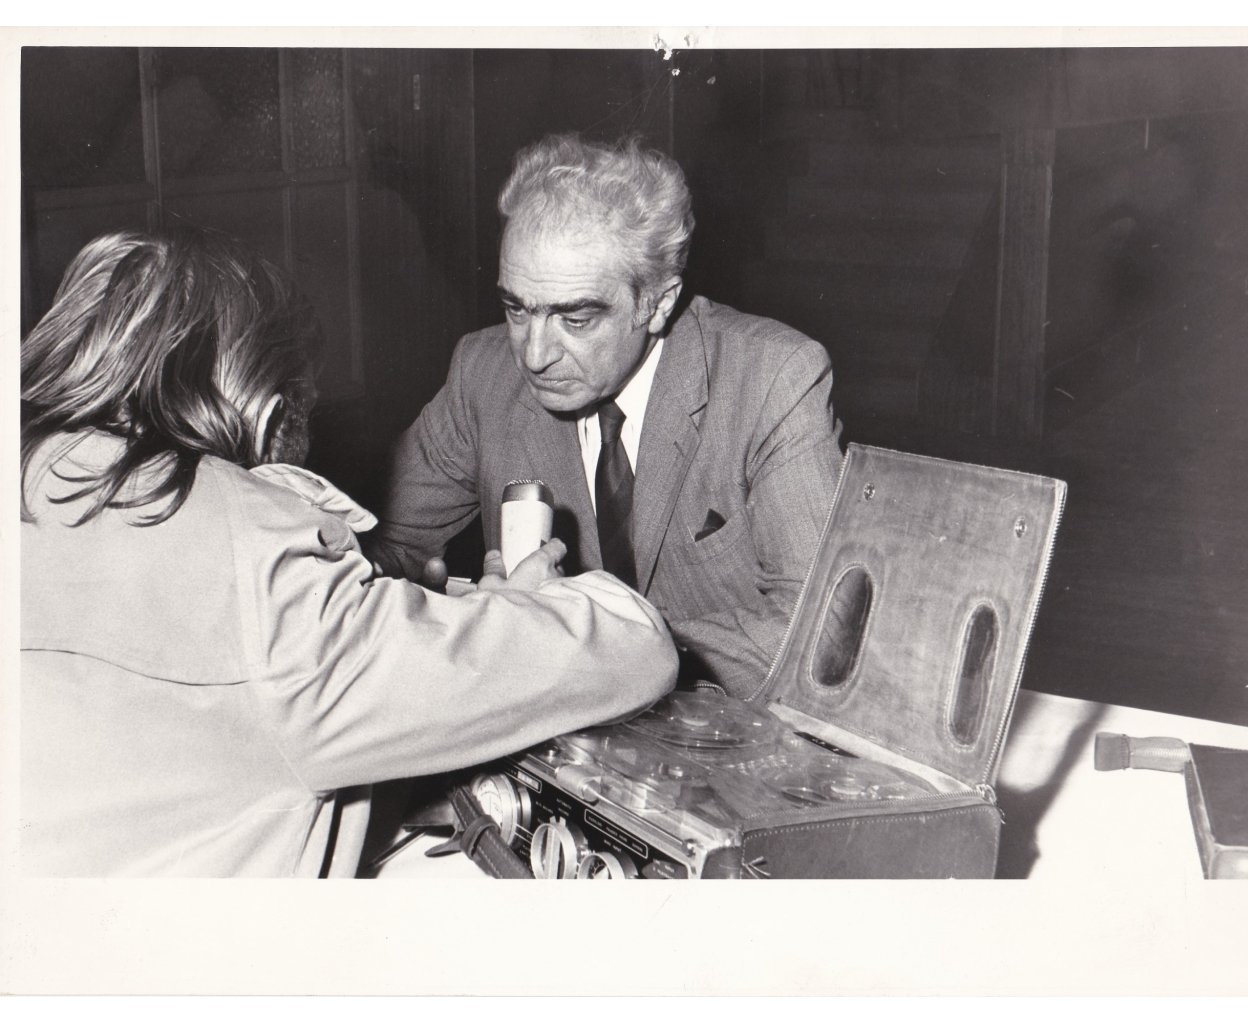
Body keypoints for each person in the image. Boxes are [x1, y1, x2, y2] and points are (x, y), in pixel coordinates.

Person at [18, 228, 677, 878]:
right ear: (272, 413)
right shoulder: (261, 559)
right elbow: (635, 647)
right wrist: (522, 610)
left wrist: (411, 613)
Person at [366, 134, 843, 698]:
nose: (534, 355)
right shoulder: (482, 374)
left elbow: (820, 630)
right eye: (516, 308)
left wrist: (564, 643)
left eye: (576, 320)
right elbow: (382, 546)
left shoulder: (773, 378)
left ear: (658, 303)